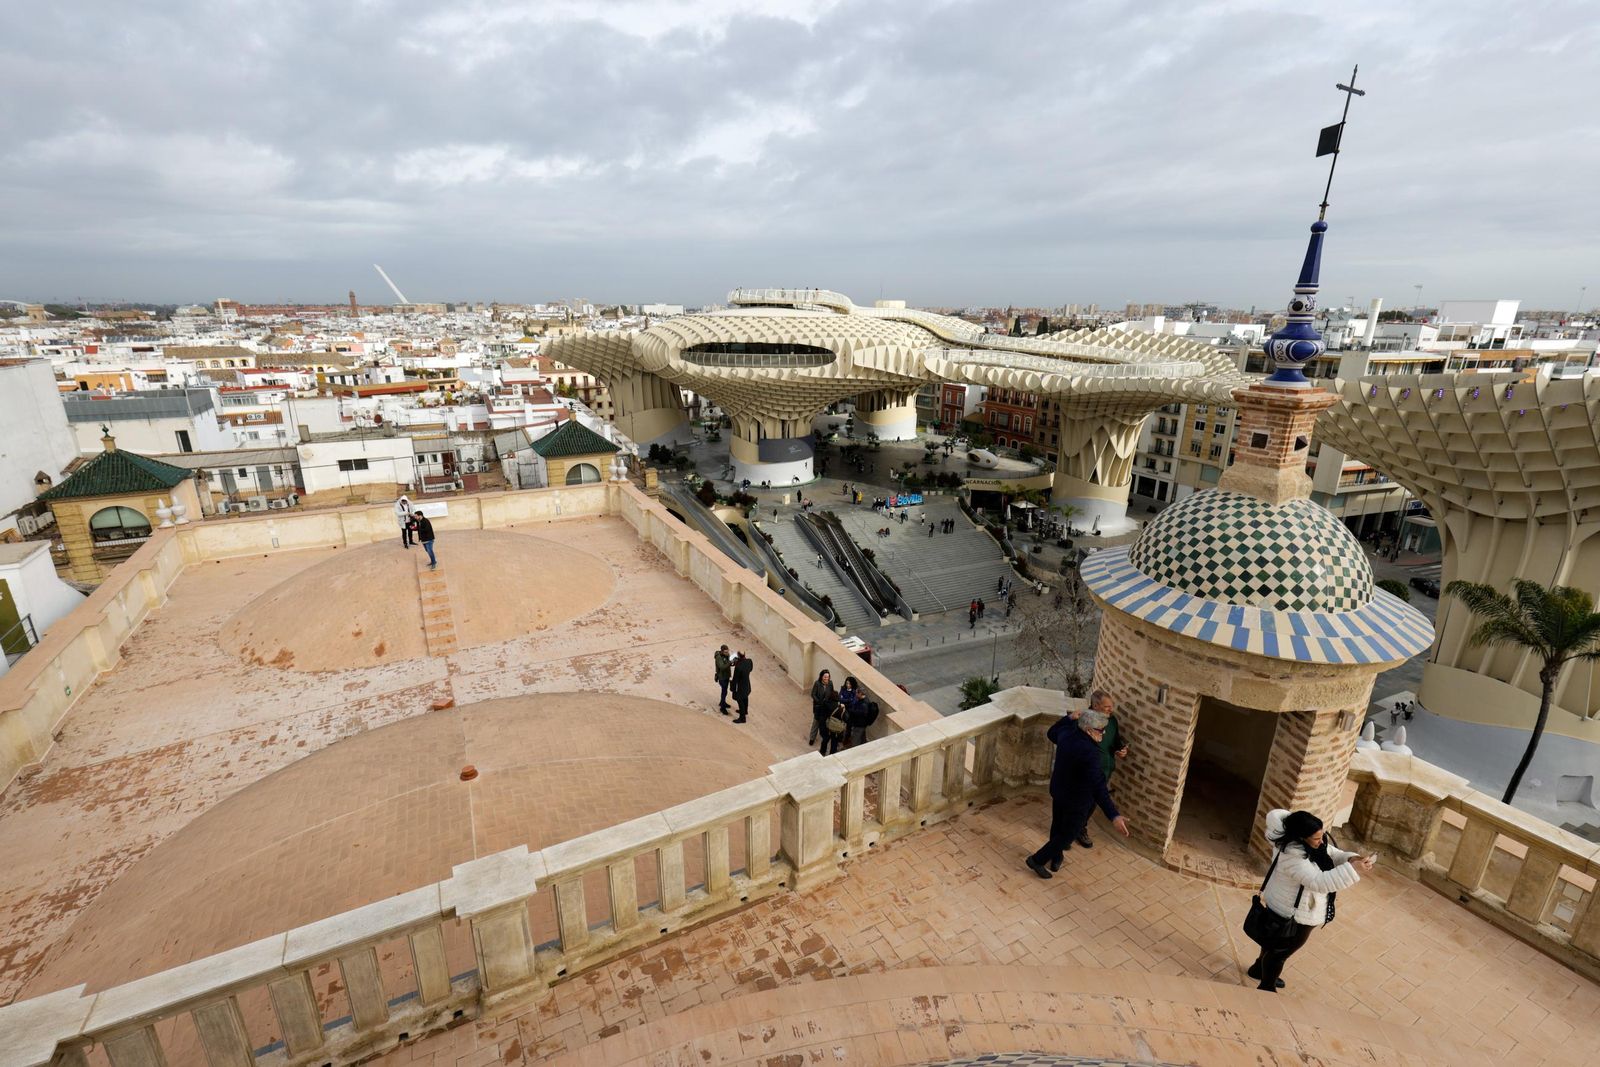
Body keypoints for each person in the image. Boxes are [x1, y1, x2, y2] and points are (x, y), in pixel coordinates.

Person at [1248, 809, 1373, 991]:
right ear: (1301, 837)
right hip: (1293, 910)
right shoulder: (1292, 856)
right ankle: (1266, 987)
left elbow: (1332, 852)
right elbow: (1319, 882)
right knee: (1281, 951)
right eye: (1316, 838)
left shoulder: (1312, 846)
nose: (1321, 842)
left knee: (1273, 941)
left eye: (1322, 836)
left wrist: (1353, 858)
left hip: (1287, 904)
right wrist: (1353, 870)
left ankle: (1259, 970)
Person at [1026, 707, 1129, 878]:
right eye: (1100, 731)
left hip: (1059, 791)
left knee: (1057, 826)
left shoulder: (1067, 732)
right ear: (1089, 730)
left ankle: (1055, 855)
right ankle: (1037, 860)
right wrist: (1114, 816)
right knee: (1068, 835)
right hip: (1077, 800)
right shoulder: (1090, 753)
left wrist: (1068, 718)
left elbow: (1051, 733)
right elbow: (1098, 787)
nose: (1102, 734)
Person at [1073, 690, 1131, 848]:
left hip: (1105, 772)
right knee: (1080, 803)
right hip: (1087, 773)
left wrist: (1121, 750)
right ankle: (1068, 832)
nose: (1111, 710)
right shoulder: (1084, 721)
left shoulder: (1112, 721)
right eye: (1107, 707)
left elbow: (1115, 741)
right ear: (1096, 706)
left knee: (1092, 803)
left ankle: (1080, 829)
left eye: (1111, 706)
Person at [808, 669, 837, 744]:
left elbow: (832, 693)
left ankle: (824, 736)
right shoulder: (817, 683)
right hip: (818, 706)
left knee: (825, 722)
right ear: (821, 677)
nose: (826, 678)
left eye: (827, 677)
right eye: (825, 677)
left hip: (826, 707)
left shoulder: (830, 683)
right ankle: (812, 738)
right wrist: (819, 702)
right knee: (816, 723)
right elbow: (813, 694)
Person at [729, 651, 753, 723]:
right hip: (747, 684)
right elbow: (750, 669)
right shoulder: (749, 661)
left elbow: (735, 679)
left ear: (738, 656)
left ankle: (742, 718)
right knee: (745, 697)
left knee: (740, 700)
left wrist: (732, 688)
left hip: (740, 687)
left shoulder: (738, 667)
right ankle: (745, 711)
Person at [714, 645, 733, 715]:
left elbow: (727, 664)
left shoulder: (727, 655)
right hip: (722, 677)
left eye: (728, 652)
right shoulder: (719, 658)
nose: (727, 653)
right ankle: (722, 707)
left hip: (726, 676)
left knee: (725, 691)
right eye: (725, 652)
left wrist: (732, 661)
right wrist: (730, 662)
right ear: (722, 651)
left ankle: (722, 702)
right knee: (724, 691)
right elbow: (722, 667)